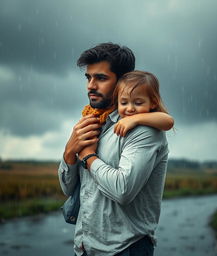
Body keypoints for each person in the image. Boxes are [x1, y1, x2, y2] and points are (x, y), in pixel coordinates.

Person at [58, 43, 173, 256]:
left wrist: (88, 156)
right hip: (85, 248)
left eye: (100, 78)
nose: (91, 86)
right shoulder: (90, 121)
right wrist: (68, 153)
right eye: (88, 78)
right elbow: (68, 190)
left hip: (125, 249)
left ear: (122, 81)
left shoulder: (143, 129)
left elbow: (122, 190)